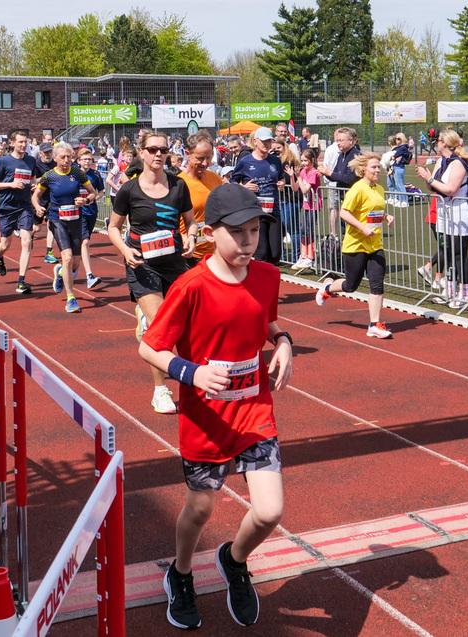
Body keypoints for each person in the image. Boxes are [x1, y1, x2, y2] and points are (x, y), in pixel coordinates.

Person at [139, 183, 292, 630]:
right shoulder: (190, 286)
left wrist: (283, 342)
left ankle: (234, 559)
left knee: (269, 511)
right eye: (238, 233)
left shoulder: (266, 276)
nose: (248, 242)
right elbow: (151, 348)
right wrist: (191, 373)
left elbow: (267, 321)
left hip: (254, 413)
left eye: (254, 232)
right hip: (205, 419)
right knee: (200, 509)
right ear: (210, 232)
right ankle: (180, 572)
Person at [108, 131, 197, 414]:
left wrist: (192, 237)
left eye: (163, 150)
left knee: (187, 324)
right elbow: (112, 227)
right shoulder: (129, 190)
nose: (159, 154)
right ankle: (160, 390)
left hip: (174, 263)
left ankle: (189, 376)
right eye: (153, 149)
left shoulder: (178, 186)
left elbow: (190, 222)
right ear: (141, 153)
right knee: (161, 328)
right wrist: (125, 250)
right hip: (142, 264)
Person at [314, 153, 395, 339]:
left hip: (375, 245)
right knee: (351, 286)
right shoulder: (357, 189)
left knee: (377, 282)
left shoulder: (380, 189)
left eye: (378, 167)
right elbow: (344, 213)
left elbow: (373, 211)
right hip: (355, 245)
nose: (377, 170)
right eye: (373, 167)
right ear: (363, 170)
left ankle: (374, 324)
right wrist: (362, 228)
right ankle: (327, 288)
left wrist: (386, 216)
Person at [32, 143, 98, 313]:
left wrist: (86, 200)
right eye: (63, 157)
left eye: (69, 157)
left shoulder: (77, 173)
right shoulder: (49, 176)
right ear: (55, 158)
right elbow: (35, 196)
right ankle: (71, 298)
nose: (66, 160)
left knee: (76, 262)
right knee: (67, 257)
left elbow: (93, 192)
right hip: (57, 220)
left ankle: (61, 273)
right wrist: (38, 207)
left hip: (76, 219)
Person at [416, 129, 468, 306]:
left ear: (445, 143)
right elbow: (433, 187)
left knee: (459, 254)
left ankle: (465, 294)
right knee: (447, 252)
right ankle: (448, 290)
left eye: (438, 140)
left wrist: (430, 179)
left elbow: (450, 189)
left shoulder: (459, 163)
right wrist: (427, 179)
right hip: (443, 212)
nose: (435, 143)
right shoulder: (441, 161)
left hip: (458, 212)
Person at [0, 130, 38, 294]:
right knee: (5, 244)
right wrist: (10, 185)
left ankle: (21, 281)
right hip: (7, 207)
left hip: (24, 206)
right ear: (12, 143)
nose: (23, 145)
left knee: (26, 241)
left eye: (25, 142)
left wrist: (34, 185)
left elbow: (33, 179)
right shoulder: (4, 161)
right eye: (20, 142)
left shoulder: (31, 161)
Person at [231, 127, 284, 264]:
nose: (267, 144)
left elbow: (281, 177)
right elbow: (232, 182)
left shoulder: (275, 161)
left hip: (273, 210)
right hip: (255, 212)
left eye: (269, 141)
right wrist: (244, 187)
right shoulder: (245, 161)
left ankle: (269, 280)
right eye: (264, 141)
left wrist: (282, 183)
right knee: (262, 252)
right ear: (255, 141)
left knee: (275, 253)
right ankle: (259, 282)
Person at [178, 132, 223, 266]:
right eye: (200, 158)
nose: (205, 163)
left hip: (213, 253)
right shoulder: (178, 183)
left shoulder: (215, 179)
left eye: (209, 158)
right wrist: (185, 239)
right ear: (188, 153)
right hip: (188, 254)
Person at [76, 148, 105, 289]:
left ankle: (69, 270)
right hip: (77, 212)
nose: (87, 161)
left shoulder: (96, 174)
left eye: (89, 159)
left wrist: (93, 199)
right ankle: (89, 276)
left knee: (81, 244)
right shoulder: (74, 174)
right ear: (79, 161)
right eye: (85, 159)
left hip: (91, 211)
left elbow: (101, 191)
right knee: (85, 241)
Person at [289, 148, 321, 270]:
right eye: (302, 160)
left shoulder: (313, 172)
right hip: (306, 205)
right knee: (303, 230)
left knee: (309, 230)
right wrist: (293, 177)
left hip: (314, 206)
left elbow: (305, 190)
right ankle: (303, 256)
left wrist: (299, 177)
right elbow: (295, 188)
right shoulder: (303, 171)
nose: (303, 163)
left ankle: (310, 257)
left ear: (312, 160)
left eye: (306, 160)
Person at [34, 143, 58, 264]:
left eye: (50, 152)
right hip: (39, 199)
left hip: (52, 199)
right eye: (46, 152)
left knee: (51, 225)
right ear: (40, 153)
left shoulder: (55, 163)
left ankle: (49, 252)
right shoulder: (36, 164)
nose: (48, 154)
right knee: (37, 228)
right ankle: (29, 235)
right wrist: (45, 177)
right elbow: (33, 180)